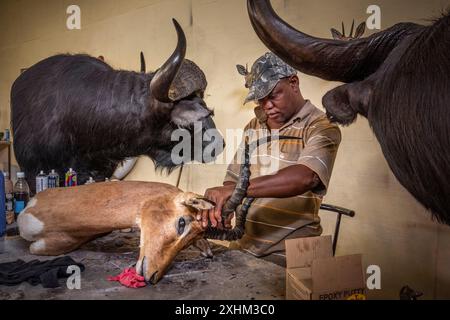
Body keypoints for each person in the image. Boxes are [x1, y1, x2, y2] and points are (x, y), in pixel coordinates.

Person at [201, 52, 341, 265]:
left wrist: (236, 190)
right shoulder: (254, 126)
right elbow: (234, 177)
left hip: (293, 254)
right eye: (260, 99)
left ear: (293, 83)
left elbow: (306, 177)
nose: (266, 105)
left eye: (273, 95)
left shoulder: (320, 126)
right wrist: (225, 208)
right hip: (242, 245)